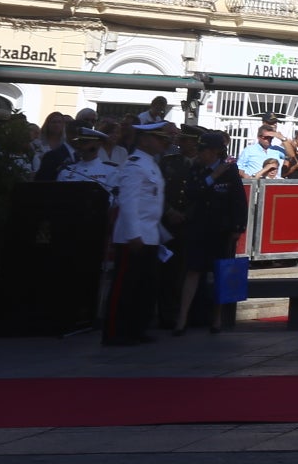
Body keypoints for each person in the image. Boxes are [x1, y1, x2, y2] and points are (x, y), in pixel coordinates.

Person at [104, 120, 174, 346]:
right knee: (125, 286)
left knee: (144, 287)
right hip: (133, 236)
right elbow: (129, 201)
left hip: (149, 234)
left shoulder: (150, 164)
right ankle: (116, 331)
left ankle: (136, 328)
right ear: (144, 140)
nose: (164, 142)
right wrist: (134, 234)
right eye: (159, 138)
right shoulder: (135, 164)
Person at [173, 132, 246, 335]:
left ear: (214, 152)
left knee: (220, 272)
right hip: (198, 227)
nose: (200, 154)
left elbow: (238, 200)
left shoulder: (230, 171)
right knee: (193, 270)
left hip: (220, 229)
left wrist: (237, 227)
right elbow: (192, 192)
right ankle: (182, 319)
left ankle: (217, 319)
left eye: (204, 150)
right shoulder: (197, 168)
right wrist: (212, 176)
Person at [59, 126, 121, 198]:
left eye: (85, 142)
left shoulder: (110, 171)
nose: (80, 146)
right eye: (78, 142)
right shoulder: (67, 171)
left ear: (98, 144)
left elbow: (113, 199)